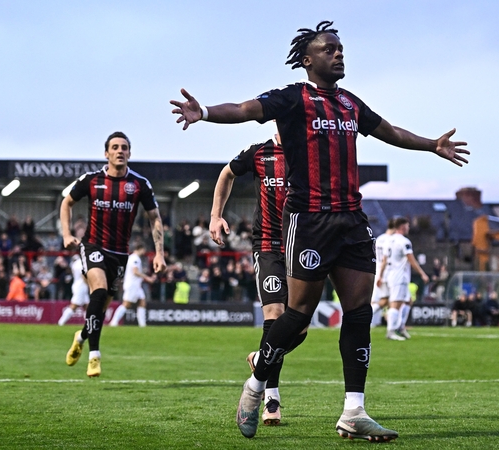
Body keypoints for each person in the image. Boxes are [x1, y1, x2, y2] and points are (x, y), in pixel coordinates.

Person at [172, 21, 468, 441]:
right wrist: (203, 113)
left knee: (360, 311)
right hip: (308, 220)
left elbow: (390, 131)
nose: (338, 54)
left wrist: (430, 144)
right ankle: (257, 384)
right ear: (308, 60)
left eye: (341, 48)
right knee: (297, 315)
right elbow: (243, 110)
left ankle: (354, 411)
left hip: (351, 220)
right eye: (329, 49)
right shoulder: (292, 98)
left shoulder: (349, 104)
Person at [209, 132, 308, 427]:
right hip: (267, 245)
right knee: (275, 315)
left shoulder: (311, 154)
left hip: (301, 246)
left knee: (299, 329)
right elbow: (226, 173)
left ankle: (260, 358)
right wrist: (216, 215)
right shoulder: (258, 153)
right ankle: (270, 398)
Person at [61, 131, 166, 378]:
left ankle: (82, 336)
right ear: (106, 153)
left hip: (120, 254)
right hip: (93, 246)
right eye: (115, 147)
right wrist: (66, 234)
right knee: (97, 292)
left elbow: (155, 218)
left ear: (130, 153)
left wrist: (159, 253)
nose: (120, 151)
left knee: (101, 308)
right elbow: (67, 202)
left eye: (124, 148)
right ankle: (94, 356)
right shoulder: (91, 180)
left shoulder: (140, 184)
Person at [378, 217, 429, 340]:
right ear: (402, 227)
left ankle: (400, 327)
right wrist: (422, 273)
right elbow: (412, 260)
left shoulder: (388, 240)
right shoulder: (404, 242)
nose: (409, 228)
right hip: (399, 276)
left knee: (408, 301)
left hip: (390, 275)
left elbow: (384, 261)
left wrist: (380, 275)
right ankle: (390, 332)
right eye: (407, 226)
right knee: (395, 304)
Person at [110, 243, 155, 327]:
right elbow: (135, 271)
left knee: (142, 302)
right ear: (140, 249)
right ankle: (114, 322)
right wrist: (147, 278)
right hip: (132, 285)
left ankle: (142, 325)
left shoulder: (132, 258)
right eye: (144, 249)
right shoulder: (135, 259)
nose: (144, 252)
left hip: (136, 286)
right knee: (126, 304)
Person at [370, 218, 396, 327]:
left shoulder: (379, 239)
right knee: (392, 300)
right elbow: (387, 258)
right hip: (387, 273)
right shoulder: (392, 240)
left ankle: (394, 324)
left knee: (385, 300)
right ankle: (395, 326)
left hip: (378, 270)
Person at [58, 255, 89, 325]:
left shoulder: (74, 264)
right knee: (74, 305)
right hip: (81, 286)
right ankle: (61, 322)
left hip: (77, 284)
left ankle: (88, 324)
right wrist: (89, 284)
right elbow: (83, 275)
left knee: (87, 306)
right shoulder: (81, 263)